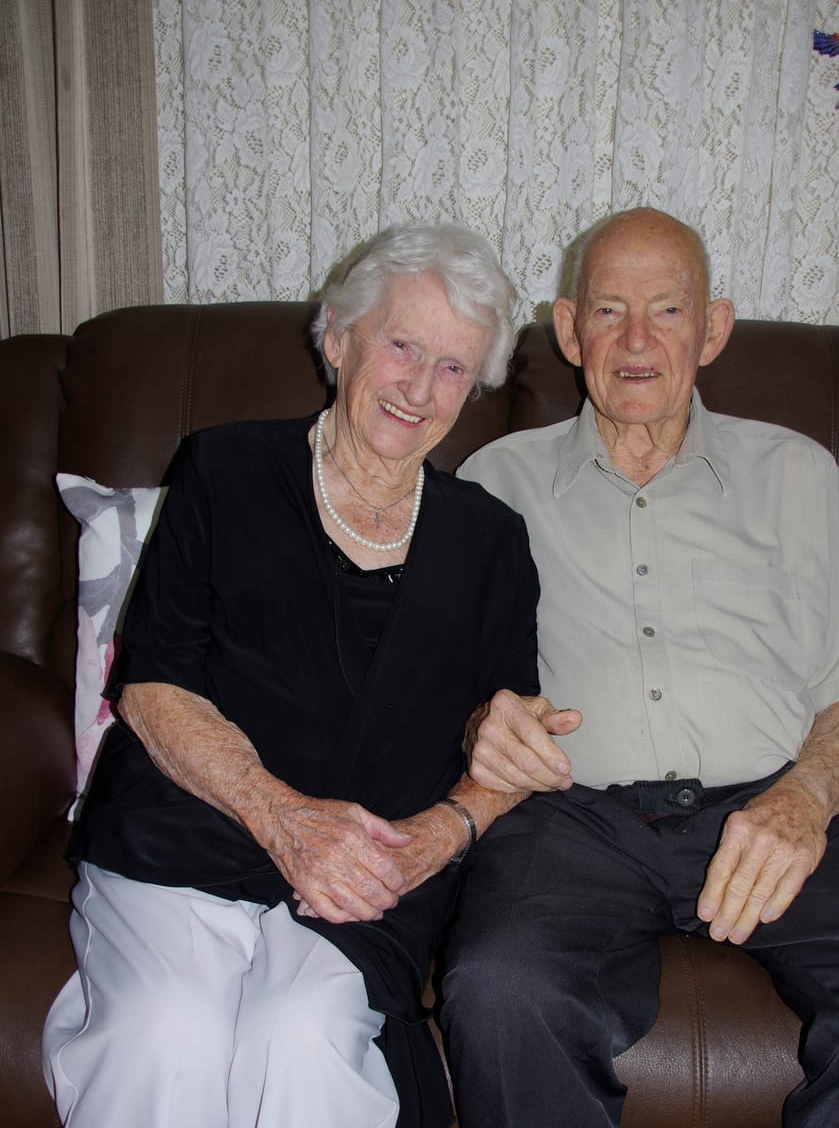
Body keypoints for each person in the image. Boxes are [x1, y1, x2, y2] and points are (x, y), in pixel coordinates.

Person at [441, 207, 839, 1127]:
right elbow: (450, 694)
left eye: (667, 310)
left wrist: (802, 803)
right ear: (569, 330)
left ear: (712, 330)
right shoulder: (494, 483)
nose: (636, 340)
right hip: (570, 823)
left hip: (774, 799)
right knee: (501, 992)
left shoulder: (796, 474)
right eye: (609, 310)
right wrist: (481, 728)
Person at [42, 222, 539, 1128]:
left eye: (453, 368)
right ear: (338, 337)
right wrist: (280, 816)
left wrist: (438, 834)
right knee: (167, 1030)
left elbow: (508, 743)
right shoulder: (224, 467)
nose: (419, 389)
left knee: (303, 1034)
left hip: (368, 869)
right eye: (402, 346)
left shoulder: (491, 540)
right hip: (191, 824)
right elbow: (152, 684)